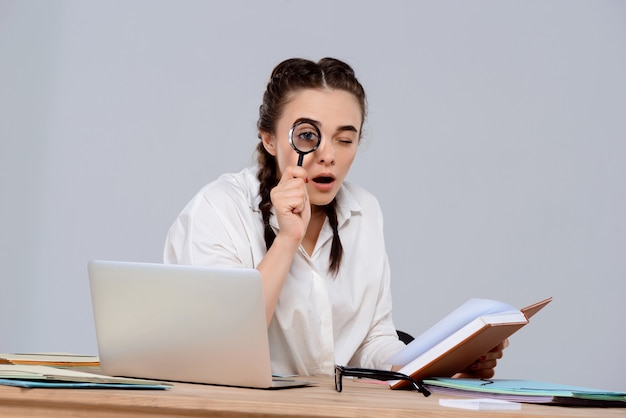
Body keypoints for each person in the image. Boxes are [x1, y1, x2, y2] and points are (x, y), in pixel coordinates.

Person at [164, 57, 507, 378]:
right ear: (269, 139)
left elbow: (371, 343)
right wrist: (286, 241)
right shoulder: (218, 209)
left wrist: (446, 363)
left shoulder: (364, 211)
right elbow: (222, 346)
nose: (328, 156)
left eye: (345, 139)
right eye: (308, 136)